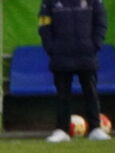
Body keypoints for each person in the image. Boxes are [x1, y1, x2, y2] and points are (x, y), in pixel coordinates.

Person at [39, 0, 109, 142]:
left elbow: (101, 20)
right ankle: (62, 130)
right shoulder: (49, 1)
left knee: (90, 91)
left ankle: (95, 128)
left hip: (86, 54)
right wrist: (51, 48)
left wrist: (95, 45)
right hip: (61, 54)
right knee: (62, 94)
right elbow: (44, 24)